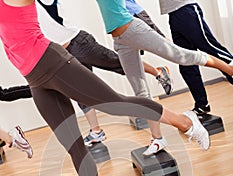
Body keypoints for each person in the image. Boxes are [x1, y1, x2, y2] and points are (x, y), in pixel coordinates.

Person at [0, 0, 209, 176]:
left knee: (116, 104)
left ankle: (187, 122)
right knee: (72, 144)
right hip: (35, 79)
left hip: (54, 63)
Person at [95, 0, 233, 156]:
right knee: (141, 93)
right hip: (120, 40)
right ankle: (157, 138)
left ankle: (228, 68)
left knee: (181, 56)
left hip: (134, 29)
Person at [36, 0, 172, 148]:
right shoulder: (24, 9)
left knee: (117, 63)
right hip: (63, 52)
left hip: (79, 44)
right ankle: (96, 131)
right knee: (80, 91)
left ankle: (158, 71)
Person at [159, 0, 233, 115]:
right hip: (173, 14)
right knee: (185, 61)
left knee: (212, 49)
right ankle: (202, 104)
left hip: (185, 9)